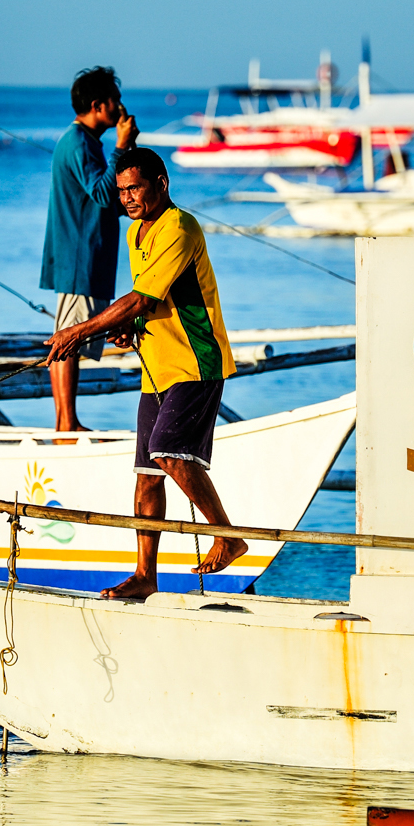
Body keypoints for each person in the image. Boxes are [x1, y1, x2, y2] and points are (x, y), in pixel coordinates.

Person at [45, 147, 245, 599]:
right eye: (122, 191)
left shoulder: (180, 226)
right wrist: (130, 328)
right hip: (155, 367)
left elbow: (137, 297)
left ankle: (228, 535)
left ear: (162, 182)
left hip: (195, 364)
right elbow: (147, 303)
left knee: (169, 454)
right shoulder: (136, 232)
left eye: (135, 187)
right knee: (146, 472)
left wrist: (80, 330)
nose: (128, 198)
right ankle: (144, 575)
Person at [40, 66, 137, 432]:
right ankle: (66, 423)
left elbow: (108, 199)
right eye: (115, 100)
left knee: (74, 333)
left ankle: (67, 421)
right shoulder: (79, 142)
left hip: (87, 254)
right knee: (70, 334)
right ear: (98, 105)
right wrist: (123, 147)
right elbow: (101, 192)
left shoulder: (86, 142)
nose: (120, 106)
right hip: (79, 254)